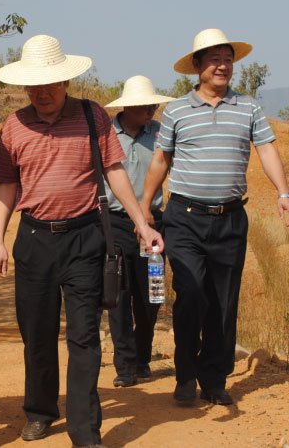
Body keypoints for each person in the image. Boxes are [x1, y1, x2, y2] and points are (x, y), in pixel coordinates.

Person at [0, 35, 163, 448]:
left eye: (50, 84)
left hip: (85, 239)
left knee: (84, 336)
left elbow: (114, 171)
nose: (42, 93)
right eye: (34, 85)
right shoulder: (14, 125)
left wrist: (141, 222)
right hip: (34, 239)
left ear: (65, 81)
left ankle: (85, 431)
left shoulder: (92, 116)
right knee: (37, 333)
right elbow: (7, 185)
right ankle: (40, 412)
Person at [141, 28, 289, 407]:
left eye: (228, 59)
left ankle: (214, 380)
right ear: (197, 66)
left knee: (223, 302)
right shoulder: (177, 110)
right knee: (190, 293)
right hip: (184, 217)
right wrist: (145, 207)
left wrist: (284, 192)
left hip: (230, 219)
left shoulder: (249, 108)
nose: (223, 66)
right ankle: (185, 375)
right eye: (214, 60)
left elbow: (267, 150)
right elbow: (161, 160)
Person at [102, 75, 173, 388]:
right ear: (128, 107)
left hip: (153, 226)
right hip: (114, 225)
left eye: (153, 105)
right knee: (118, 296)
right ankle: (125, 365)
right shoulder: (106, 134)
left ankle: (143, 356)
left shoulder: (160, 134)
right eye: (145, 106)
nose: (151, 110)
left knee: (152, 295)